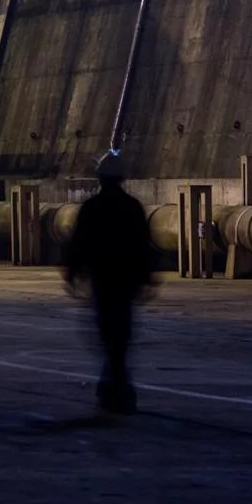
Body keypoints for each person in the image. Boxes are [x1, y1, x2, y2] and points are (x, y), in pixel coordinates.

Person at [64, 150, 155, 413]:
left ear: (100, 178)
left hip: (103, 279)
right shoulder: (133, 207)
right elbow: (142, 245)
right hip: (125, 281)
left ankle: (113, 387)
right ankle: (117, 386)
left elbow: (79, 242)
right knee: (121, 336)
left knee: (107, 334)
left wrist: (72, 273)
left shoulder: (92, 208)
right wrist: (147, 278)